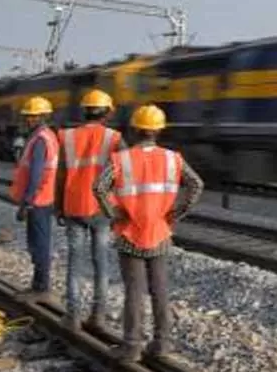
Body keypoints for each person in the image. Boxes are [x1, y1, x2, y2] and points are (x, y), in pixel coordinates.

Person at [93, 104, 204, 363]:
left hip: (130, 234)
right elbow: (196, 184)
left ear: (135, 129)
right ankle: (162, 343)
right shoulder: (173, 159)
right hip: (160, 232)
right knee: (160, 289)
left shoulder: (121, 159)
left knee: (134, 291)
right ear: (158, 130)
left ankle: (132, 346)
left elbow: (99, 187)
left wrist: (113, 213)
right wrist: (177, 212)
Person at [55, 89, 126, 331]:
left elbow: (60, 175)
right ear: (108, 113)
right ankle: (98, 316)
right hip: (102, 209)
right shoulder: (114, 138)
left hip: (74, 206)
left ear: (84, 111)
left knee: (74, 263)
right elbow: (125, 173)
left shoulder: (67, 137)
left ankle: (73, 316)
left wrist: (58, 206)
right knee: (101, 262)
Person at [8, 96, 60, 302]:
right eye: (28, 116)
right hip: (45, 197)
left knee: (39, 243)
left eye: (33, 116)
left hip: (38, 200)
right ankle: (39, 285)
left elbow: (36, 175)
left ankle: (41, 287)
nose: (29, 119)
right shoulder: (48, 136)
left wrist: (26, 203)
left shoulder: (40, 140)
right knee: (40, 241)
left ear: (43, 117)